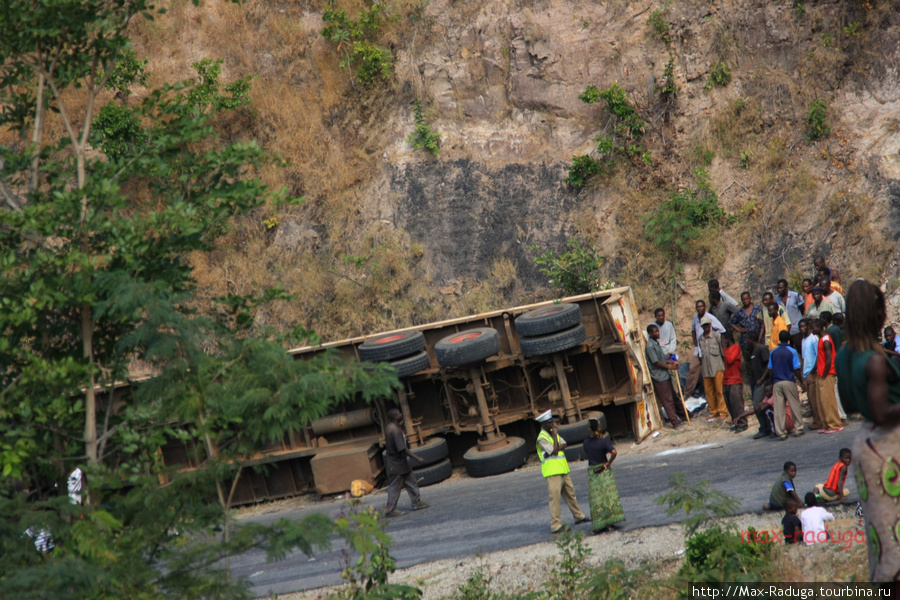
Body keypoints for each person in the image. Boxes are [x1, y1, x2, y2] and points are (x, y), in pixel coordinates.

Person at [835, 280, 900, 583]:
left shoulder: (845, 355)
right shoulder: (875, 361)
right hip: (890, 449)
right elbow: (882, 413)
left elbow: (849, 403)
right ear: (878, 313)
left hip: (866, 444)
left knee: (883, 538)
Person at [535, 410, 588, 534]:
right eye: (549, 423)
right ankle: (556, 525)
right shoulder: (542, 438)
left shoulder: (553, 435)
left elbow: (563, 444)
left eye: (552, 422)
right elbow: (554, 451)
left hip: (563, 470)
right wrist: (555, 440)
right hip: (552, 473)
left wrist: (556, 446)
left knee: (571, 494)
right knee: (555, 499)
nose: (552, 425)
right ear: (543, 424)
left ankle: (578, 516)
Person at [757, 330, 806, 441]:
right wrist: (802, 381)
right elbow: (796, 369)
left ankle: (781, 431)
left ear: (779, 338)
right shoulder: (792, 351)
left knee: (779, 408)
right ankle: (798, 428)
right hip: (789, 380)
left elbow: (770, 369)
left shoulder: (773, 352)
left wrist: (771, 383)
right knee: (794, 405)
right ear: (788, 339)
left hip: (777, 382)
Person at [582, 414, 625, 533]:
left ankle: (599, 523)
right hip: (604, 470)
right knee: (608, 496)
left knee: (597, 498)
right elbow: (614, 452)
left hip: (593, 472)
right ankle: (610, 523)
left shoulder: (586, 442)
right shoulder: (602, 442)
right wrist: (609, 463)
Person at [383, 408, 428, 517]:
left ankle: (416, 502)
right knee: (395, 486)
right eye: (399, 414)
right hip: (396, 463)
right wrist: (417, 458)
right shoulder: (395, 430)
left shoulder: (391, 427)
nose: (401, 414)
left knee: (410, 480)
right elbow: (402, 449)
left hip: (401, 462)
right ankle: (390, 510)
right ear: (395, 417)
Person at [646, 324, 685, 430]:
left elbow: (662, 359)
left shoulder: (656, 343)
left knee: (674, 397)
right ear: (650, 333)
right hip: (659, 377)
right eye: (655, 332)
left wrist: (671, 362)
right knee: (668, 401)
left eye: (658, 331)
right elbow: (657, 362)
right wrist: (669, 367)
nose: (658, 333)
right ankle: (675, 423)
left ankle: (685, 415)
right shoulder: (650, 346)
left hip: (665, 376)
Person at [684, 300, 726, 398]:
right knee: (692, 369)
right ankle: (687, 393)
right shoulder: (695, 318)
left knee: (712, 372)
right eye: (698, 307)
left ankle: (717, 396)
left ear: (705, 307)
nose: (699, 308)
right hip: (699, 349)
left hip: (710, 351)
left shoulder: (710, 318)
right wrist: (696, 345)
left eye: (701, 306)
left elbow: (722, 330)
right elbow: (693, 331)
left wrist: (714, 342)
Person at [812, 318, 843, 434]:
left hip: (827, 374)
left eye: (814, 327)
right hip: (821, 373)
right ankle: (826, 424)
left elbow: (829, 360)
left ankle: (834, 424)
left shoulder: (826, 340)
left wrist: (824, 374)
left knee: (828, 401)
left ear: (820, 327)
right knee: (822, 402)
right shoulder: (821, 339)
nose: (813, 329)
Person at [699, 315, 728, 421]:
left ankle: (723, 411)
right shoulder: (700, 339)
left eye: (707, 324)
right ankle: (713, 410)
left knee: (720, 390)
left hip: (717, 367)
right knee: (709, 391)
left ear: (710, 325)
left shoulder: (717, 336)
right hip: (706, 369)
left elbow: (722, 352)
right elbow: (701, 355)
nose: (706, 327)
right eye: (704, 325)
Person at [731, 291, 764, 376]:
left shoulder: (758, 309)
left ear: (750, 298)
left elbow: (763, 324)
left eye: (747, 299)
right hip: (745, 342)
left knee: (760, 360)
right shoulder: (740, 312)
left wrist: (760, 337)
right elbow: (731, 322)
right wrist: (739, 330)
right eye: (743, 299)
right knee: (749, 363)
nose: (745, 301)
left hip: (758, 340)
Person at [746, 337, 772, 438]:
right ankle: (766, 427)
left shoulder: (762, 349)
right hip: (755, 383)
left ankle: (765, 428)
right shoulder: (753, 351)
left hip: (762, 383)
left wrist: (762, 379)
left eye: (747, 339)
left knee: (758, 404)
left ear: (751, 339)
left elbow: (768, 365)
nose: (746, 342)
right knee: (759, 405)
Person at [800, 319, 823, 432]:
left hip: (812, 372)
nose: (802, 329)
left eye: (803, 327)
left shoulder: (814, 339)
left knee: (814, 399)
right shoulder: (803, 340)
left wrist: (813, 370)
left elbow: (818, 355)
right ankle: (816, 420)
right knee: (810, 399)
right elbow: (804, 358)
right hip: (806, 373)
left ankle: (818, 421)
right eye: (800, 327)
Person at [722, 334, 746, 432]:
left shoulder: (735, 347)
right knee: (730, 404)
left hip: (735, 380)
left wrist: (724, 348)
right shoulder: (724, 350)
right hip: (726, 380)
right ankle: (735, 422)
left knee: (737, 404)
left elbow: (730, 359)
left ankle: (743, 423)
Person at [776, 279, 806, 351]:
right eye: (778, 288)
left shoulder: (795, 295)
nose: (779, 290)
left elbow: (802, 308)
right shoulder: (777, 299)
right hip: (785, 330)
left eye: (781, 288)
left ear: (786, 287)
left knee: (801, 349)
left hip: (796, 328)